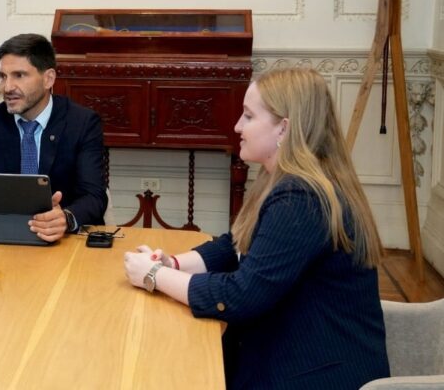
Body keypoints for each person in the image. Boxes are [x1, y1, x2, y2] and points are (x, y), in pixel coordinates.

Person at [124, 68, 390, 389]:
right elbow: (235, 244)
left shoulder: (302, 198)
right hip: (291, 353)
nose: (237, 126)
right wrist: (173, 264)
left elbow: (242, 295)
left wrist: (154, 276)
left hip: (313, 375)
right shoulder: (283, 178)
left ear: (284, 128)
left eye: (248, 116)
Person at [0, 33, 107, 242]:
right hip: (4, 238)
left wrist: (66, 218)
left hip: (63, 243)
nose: (7, 87)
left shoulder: (82, 123)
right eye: (3, 76)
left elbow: (94, 196)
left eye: (19, 75)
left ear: (48, 79)